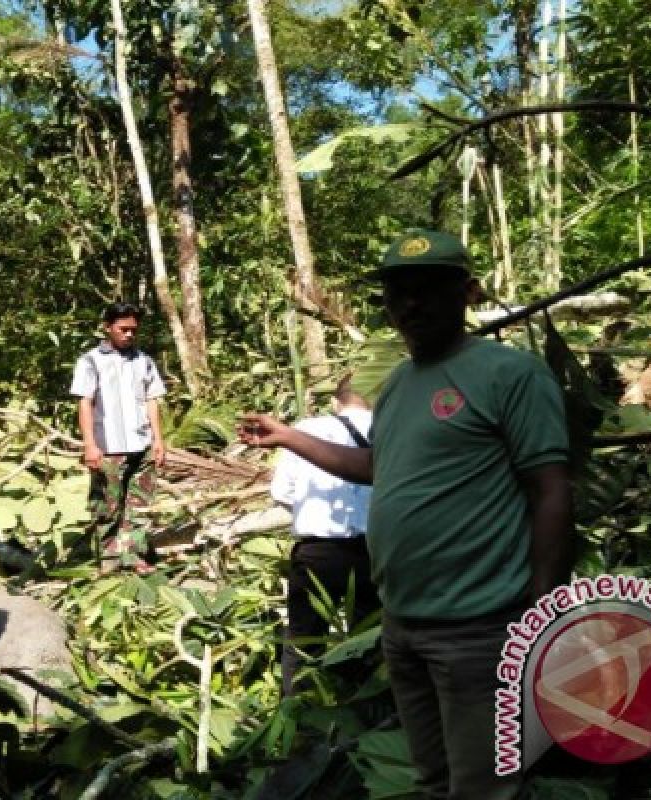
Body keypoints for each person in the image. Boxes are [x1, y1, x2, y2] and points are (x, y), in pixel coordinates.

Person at [242, 230, 571, 799]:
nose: (411, 304)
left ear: (467, 292)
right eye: (399, 293)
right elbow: (376, 466)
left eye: (429, 289)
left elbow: (551, 489)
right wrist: (287, 436)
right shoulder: (398, 386)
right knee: (434, 780)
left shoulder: (509, 375)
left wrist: (541, 604)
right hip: (404, 623)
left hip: (481, 624)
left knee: (484, 786)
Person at [269, 379, 376, 696]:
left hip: (319, 551)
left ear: (336, 402)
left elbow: (282, 493)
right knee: (371, 634)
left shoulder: (304, 431)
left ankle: (299, 715)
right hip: (376, 550)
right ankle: (366, 707)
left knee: (304, 638)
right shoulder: (390, 429)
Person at [71, 303, 167, 573]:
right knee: (108, 506)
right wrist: (90, 444)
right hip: (108, 448)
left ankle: (134, 556)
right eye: (123, 329)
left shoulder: (143, 360)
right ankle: (111, 560)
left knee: (140, 504)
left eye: (133, 330)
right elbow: (85, 402)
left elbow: (151, 400)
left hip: (142, 445)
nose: (128, 335)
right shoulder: (91, 361)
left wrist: (158, 440)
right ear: (108, 327)